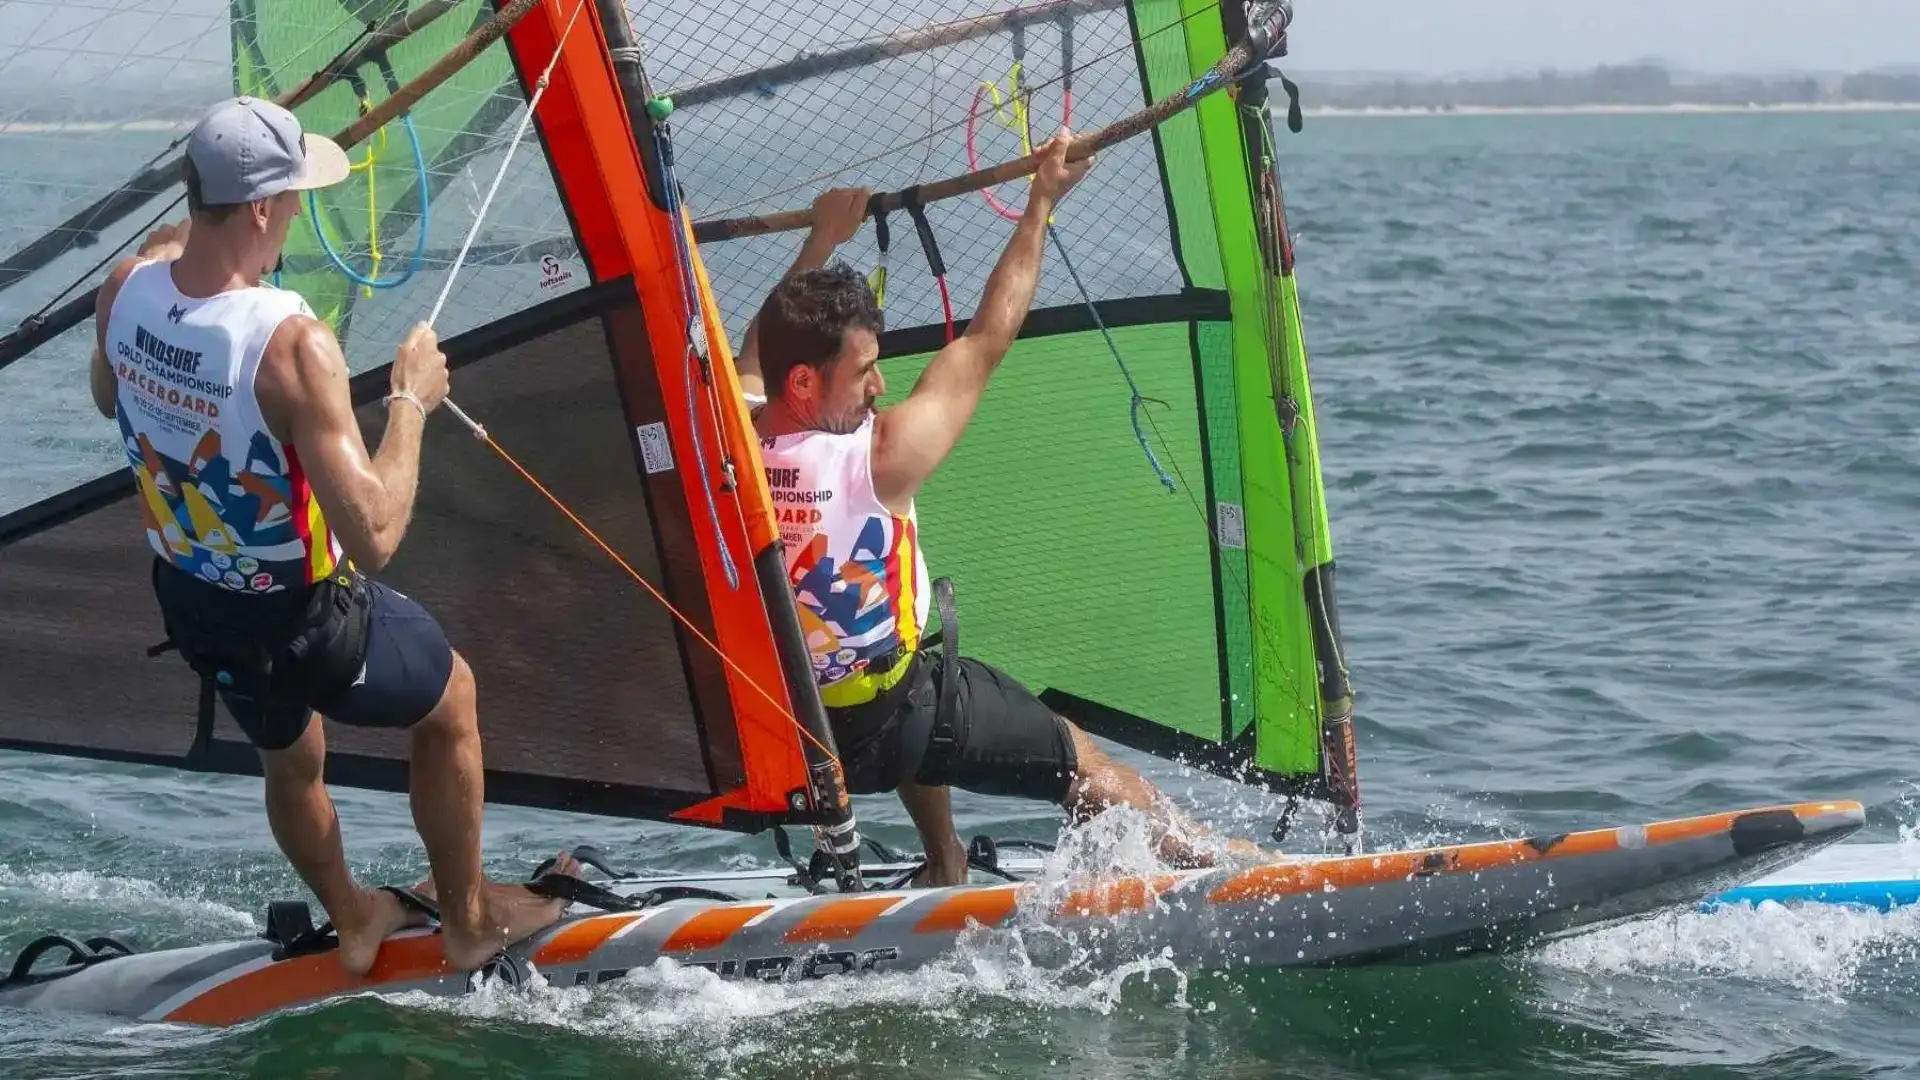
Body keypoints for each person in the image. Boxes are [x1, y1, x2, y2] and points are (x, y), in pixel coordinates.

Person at [88, 95, 577, 976]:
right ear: (262, 209)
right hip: (303, 619)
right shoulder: (290, 344)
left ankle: (355, 915)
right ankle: (465, 919)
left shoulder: (124, 290)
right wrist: (410, 401)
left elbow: (106, 396)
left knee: (292, 756)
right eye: (294, 199)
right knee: (452, 700)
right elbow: (378, 531)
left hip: (193, 604)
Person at [734, 132, 1270, 886]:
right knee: (1064, 751)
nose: (878, 388)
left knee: (915, 638)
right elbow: (989, 337)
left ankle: (943, 859)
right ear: (803, 385)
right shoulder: (878, 459)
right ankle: (1237, 865)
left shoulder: (726, 432)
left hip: (788, 733)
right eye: (862, 373)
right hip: (889, 722)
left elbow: (755, 350)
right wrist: (1040, 204)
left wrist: (823, 238)